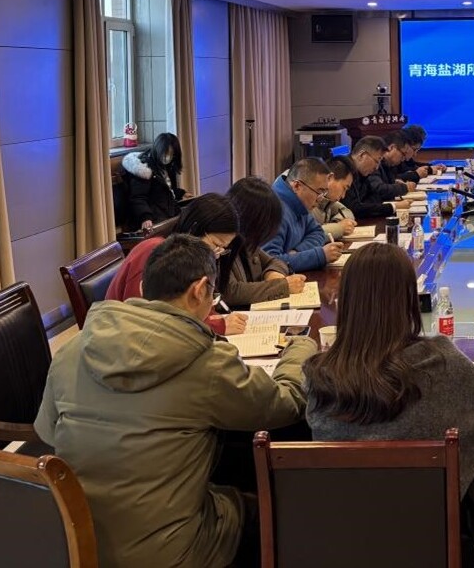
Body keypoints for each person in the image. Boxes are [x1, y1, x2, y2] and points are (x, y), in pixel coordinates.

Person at [35, 234, 317, 568]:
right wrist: (300, 347)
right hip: (168, 553)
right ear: (200, 290)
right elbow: (286, 404)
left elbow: (48, 434)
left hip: (78, 542)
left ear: (144, 288)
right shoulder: (208, 364)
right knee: (263, 506)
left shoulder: (72, 348)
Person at [304, 243, 474, 567]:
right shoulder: (441, 362)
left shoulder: (319, 377)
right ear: (409, 299)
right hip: (433, 542)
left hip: (346, 543)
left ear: (347, 301)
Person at [106, 193, 247, 336]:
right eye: (216, 244)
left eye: (222, 249)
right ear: (194, 228)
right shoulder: (156, 254)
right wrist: (217, 326)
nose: (216, 254)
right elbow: (146, 319)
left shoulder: (188, 258)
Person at [224, 177, 307, 307]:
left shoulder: (247, 241)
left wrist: (272, 273)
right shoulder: (221, 244)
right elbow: (230, 292)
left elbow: (275, 261)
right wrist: (282, 286)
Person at [264, 158, 344, 272]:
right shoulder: (273, 211)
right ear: (297, 186)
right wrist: (319, 256)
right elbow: (269, 262)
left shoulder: (299, 203)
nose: (321, 199)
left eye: (324, 192)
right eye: (319, 191)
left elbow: (318, 232)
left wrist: (297, 252)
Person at [122, 133, 188, 231]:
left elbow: (164, 191)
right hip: (154, 218)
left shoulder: (166, 166)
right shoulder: (144, 169)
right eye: (166, 153)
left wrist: (181, 193)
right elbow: (138, 197)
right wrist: (145, 217)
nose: (168, 157)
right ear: (159, 150)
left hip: (166, 213)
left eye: (172, 155)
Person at [342, 136, 412, 218]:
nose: (376, 167)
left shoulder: (362, 172)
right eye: (377, 161)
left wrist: (365, 206)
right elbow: (354, 208)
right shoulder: (344, 170)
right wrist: (393, 207)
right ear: (362, 155)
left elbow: (376, 196)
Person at [310, 156, 358, 239]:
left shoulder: (327, 201)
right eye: (344, 188)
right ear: (330, 178)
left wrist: (337, 223)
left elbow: (346, 211)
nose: (343, 196)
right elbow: (307, 236)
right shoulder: (306, 200)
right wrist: (339, 228)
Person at [368, 132, 416, 200]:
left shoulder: (389, 164)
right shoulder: (375, 162)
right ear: (391, 147)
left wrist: (395, 182)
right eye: (403, 154)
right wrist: (404, 188)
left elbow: (386, 183)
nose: (403, 159)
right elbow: (378, 189)